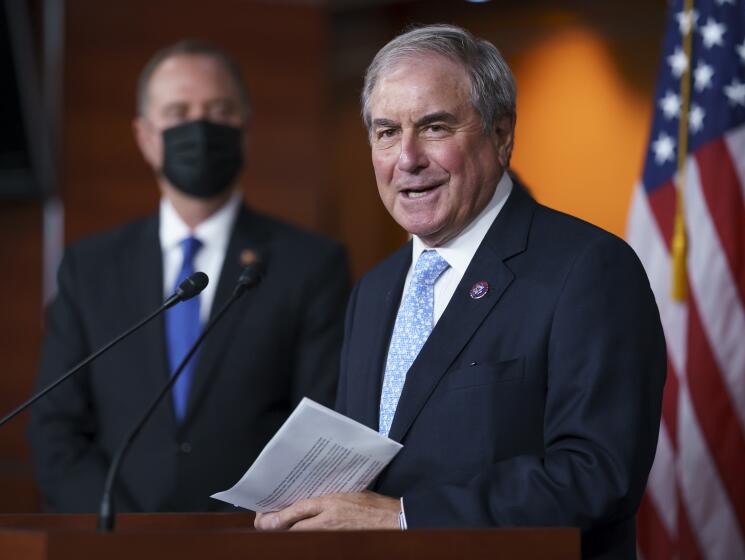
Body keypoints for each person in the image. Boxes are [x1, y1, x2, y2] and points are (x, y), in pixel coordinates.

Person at [254, 24, 666, 558]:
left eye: (434, 127)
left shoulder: (589, 269)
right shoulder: (374, 289)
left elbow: (596, 475)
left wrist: (405, 518)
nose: (407, 158)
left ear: (501, 136)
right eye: (385, 132)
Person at [27, 40, 351, 513]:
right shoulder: (89, 268)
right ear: (144, 137)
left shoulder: (312, 264)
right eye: (178, 112)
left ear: (246, 128)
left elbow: (321, 427)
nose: (199, 128)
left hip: (252, 542)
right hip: (114, 543)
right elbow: (55, 430)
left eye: (219, 111)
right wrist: (118, 530)